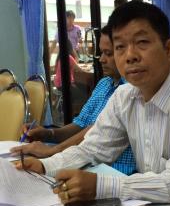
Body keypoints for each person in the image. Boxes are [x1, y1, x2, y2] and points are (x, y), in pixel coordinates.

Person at [18, 1, 170, 206]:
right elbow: (93, 149)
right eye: (120, 47)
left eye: (142, 42)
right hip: (160, 203)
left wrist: (101, 186)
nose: (130, 56)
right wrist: (45, 166)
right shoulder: (124, 96)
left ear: (168, 48)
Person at [12, 26, 136, 176]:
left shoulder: (131, 91)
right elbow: (81, 124)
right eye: (101, 53)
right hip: (86, 161)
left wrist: (53, 151)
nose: (102, 59)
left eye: (108, 54)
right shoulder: (104, 84)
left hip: (114, 170)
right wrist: (48, 133)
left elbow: (95, 130)